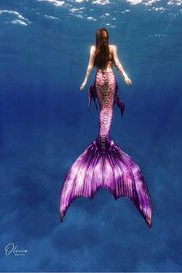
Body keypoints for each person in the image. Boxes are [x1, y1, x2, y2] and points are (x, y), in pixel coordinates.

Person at [60, 28, 153, 229]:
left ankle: (102, 146)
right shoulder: (94, 49)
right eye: (102, 38)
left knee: (107, 111)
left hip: (109, 78)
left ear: (107, 38)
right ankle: (103, 148)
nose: (103, 40)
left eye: (105, 38)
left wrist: (126, 76)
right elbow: (89, 67)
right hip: (100, 79)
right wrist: (85, 82)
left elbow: (117, 64)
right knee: (104, 110)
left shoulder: (111, 49)